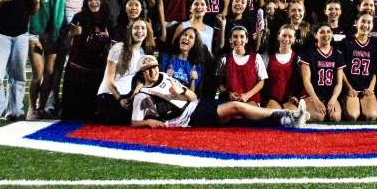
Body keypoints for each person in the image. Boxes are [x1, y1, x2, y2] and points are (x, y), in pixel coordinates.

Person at [131, 56, 308, 129]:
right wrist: (149, 121)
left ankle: (285, 120)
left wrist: (182, 91)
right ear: (142, 74)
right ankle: (289, 116)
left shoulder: (164, 76)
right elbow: (134, 122)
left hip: (196, 105)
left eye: (153, 67)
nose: (152, 72)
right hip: (186, 118)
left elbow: (192, 97)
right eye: (147, 70)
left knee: (240, 116)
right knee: (237, 107)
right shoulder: (143, 95)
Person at [23, 0, 66, 120]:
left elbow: (59, 7)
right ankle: (31, 107)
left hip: (51, 34)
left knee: (49, 73)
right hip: (33, 31)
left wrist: (54, 33)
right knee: (38, 73)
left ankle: (41, 107)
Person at [60, 0, 113, 121]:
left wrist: (107, 39)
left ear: (102, 1)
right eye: (90, 0)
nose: (93, 2)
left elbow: (113, 49)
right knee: (71, 116)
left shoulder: (109, 19)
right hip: (77, 71)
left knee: (93, 116)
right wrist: (72, 34)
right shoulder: (79, 17)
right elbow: (65, 44)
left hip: (97, 72)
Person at [95, 17, 154, 125]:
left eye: (143, 28)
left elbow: (140, 82)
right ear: (130, 31)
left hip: (127, 97)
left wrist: (132, 98)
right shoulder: (118, 48)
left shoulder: (143, 54)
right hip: (110, 95)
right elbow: (109, 79)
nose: (139, 31)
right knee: (122, 121)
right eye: (136, 28)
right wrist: (120, 99)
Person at [299, 23, 347, 123]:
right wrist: (316, 101)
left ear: (332, 34)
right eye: (322, 32)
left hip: (329, 95)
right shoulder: (308, 53)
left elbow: (339, 83)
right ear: (315, 35)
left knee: (335, 117)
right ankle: (300, 110)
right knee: (318, 117)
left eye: (328, 32)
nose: (326, 35)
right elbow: (306, 81)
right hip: (312, 95)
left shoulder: (337, 54)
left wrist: (333, 99)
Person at [339, 12, 377, 121]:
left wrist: (371, 88)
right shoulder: (346, 43)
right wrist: (348, 88)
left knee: (372, 115)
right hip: (350, 87)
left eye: (369, 22)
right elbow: (340, 70)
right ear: (356, 23)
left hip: (366, 88)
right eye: (363, 21)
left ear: (372, 25)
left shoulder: (374, 45)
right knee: (353, 115)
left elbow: (375, 71)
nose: (365, 25)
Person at [217, 26, 267, 105]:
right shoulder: (224, 58)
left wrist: (247, 95)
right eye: (235, 37)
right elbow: (219, 82)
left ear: (246, 40)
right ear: (230, 40)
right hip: (230, 100)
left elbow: (261, 82)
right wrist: (228, 94)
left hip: (251, 99)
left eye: (242, 37)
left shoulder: (256, 57)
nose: (238, 40)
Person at [160, 23, 211, 96]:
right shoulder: (167, 57)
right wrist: (166, 76)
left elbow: (192, 93)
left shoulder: (196, 65)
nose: (186, 38)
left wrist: (193, 80)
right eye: (185, 35)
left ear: (194, 43)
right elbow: (160, 82)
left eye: (191, 37)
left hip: (185, 100)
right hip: (167, 96)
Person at [262, 25, 302, 110]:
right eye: (284, 36)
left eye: (290, 36)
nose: (286, 39)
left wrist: (296, 96)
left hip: (289, 99)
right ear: (278, 37)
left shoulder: (298, 58)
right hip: (271, 99)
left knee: (292, 117)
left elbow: (301, 81)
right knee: (275, 115)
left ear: (294, 39)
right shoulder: (268, 57)